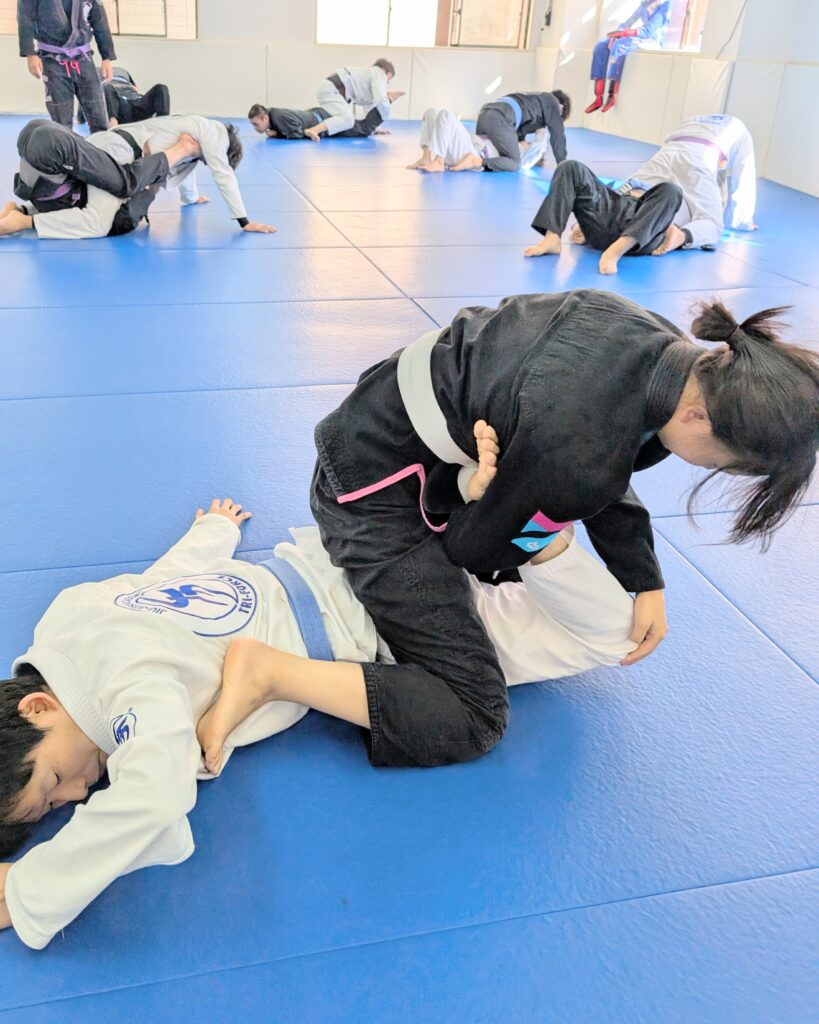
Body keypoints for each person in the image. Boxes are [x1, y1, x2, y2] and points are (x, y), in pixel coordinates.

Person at [0, 479, 648, 950]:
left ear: (38, 706)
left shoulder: (131, 692)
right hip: (352, 551)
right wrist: (214, 532)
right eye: (56, 808)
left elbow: (153, 796)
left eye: (52, 784)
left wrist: (32, 891)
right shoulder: (68, 617)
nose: (77, 796)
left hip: (387, 626)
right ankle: (521, 522)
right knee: (506, 562)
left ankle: (274, 670)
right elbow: (165, 579)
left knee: (613, 635)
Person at [306, 291, 818, 770]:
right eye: (723, 464)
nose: (716, 471)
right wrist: (526, 524)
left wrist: (644, 578)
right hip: (370, 489)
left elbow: (603, 457)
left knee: (525, 538)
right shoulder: (577, 459)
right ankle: (277, 674)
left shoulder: (656, 341)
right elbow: (474, 547)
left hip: (384, 424)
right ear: (697, 416)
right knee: (474, 714)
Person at [0, 118, 198, 239]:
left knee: (122, 187)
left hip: (42, 151)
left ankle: (19, 211)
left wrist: (25, 211)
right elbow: (96, 223)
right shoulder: (118, 183)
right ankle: (20, 217)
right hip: (46, 152)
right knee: (123, 187)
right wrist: (26, 222)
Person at [615, 114, 758, 255]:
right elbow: (744, 179)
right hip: (699, 160)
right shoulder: (741, 131)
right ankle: (681, 236)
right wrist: (743, 222)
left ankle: (613, 214)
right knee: (712, 223)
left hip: (665, 154)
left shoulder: (695, 119)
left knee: (637, 189)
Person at [523, 158, 683, 274]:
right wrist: (578, 226)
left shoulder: (683, 191)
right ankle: (552, 237)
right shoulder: (630, 180)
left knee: (672, 190)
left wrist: (682, 235)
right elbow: (588, 200)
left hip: (643, 228)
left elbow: (686, 226)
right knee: (570, 166)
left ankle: (617, 250)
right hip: (613, 208)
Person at [18, 0, 116, 133]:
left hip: (84, 58)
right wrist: (30, 53)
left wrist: (107, 57)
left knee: (98, 114)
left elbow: (99, 21)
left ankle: (101, 145)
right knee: (61, 120)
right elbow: (25, 17)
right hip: (52, 58)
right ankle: (65, 145)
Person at [585, 0, 671, 113]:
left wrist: (623, 34)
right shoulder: (646, 2)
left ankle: (611, 95)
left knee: (619, 46)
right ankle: (598, 97)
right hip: (639, 35)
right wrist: (617, 33)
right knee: (600, 46)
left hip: (652, 40)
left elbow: (649, 31)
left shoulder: (666, 4)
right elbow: (629, 21)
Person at [474, 90, 571, 172]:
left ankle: (474, 159)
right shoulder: (552, 102)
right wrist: (564, 166)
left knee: (480, 150)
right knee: (515, 163)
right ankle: (477, 162)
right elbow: (558, 137)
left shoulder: (533, 100)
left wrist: (532, 153)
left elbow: (519, 132)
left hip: (484, 114)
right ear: (560, 108)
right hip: (500, 119)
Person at [307, 59, 404, 141]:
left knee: (337, 118)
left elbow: (369, 105)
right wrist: (388, 104)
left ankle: (309, 117)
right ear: (386, 71)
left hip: (329, 90)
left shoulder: (366, 77)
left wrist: (377, 128)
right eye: (389, 79)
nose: (387, 82)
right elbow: (381, 98)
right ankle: (314, 130)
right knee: (348, 120)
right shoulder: (379, 73)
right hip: (332, 90)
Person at [406, 108, 499, 173]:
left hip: (471, 155)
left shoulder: (501, 145)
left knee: (445, 113)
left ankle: (439, 161)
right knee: (429, 112)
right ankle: (426, 158)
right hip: (461, 149)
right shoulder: (489, 132)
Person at [77, 66, 170, 127]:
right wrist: (80, 119)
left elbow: (136, 88)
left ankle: (163, 123)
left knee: (161, 88)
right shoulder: (95, 73)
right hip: (119, 108)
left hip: (137, 103)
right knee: (107, 87)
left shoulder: (123, 71)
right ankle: (113, 125)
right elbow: (85, 96)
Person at [247, 102, 387, 141]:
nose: (255, 128)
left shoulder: (278, 118)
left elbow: (297, 133)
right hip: (318, 115)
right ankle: (376, 128)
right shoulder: (271, 114)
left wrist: (277, 134)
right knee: (356, 125)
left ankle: (385, 103)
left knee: (364, 129)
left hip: (323, 121)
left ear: (265, 118)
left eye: (256, 124)